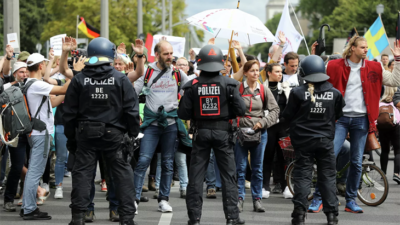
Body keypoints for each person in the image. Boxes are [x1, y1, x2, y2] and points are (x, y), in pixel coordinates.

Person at [310, 36, 400, 214]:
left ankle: (350, 200)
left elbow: (394, 81)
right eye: (362, 47)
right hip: (339, 120)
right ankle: (318, 198)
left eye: (367, 47)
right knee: (329, 158)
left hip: (362, 120)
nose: (366, 50)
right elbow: (316, 78)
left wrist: (397, 59)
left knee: (357, 162)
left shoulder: (374, 67)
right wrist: (313, 57)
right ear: (352, 48)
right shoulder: (335, 66)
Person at [63, 37, 141, 225]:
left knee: (82, 175)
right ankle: (127, 218)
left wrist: (71, 138)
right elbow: (131, 110)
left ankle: (79, 217)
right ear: (110, 55)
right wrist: (133, 133)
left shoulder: (79, 79)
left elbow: (69, 113)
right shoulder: (120, 79)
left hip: (85, 134)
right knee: (122, 176)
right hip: (114, 135)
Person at [178, 45, 246, 225]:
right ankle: (232, 217)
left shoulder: (192, 86)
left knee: (196, 177)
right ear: (221, 63)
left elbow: (183, 114)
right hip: (224, 133)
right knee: (228, 176)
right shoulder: (230, 84)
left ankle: (194, 218)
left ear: (199, 63)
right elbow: (242, 109)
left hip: (200, 133)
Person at [282, 55, 344, 225]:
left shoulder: (297, 93)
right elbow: (338, 115)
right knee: (328, 178)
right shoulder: (335, 93)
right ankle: (332, 216)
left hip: (303, 142)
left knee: (302, 177)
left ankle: (299, 216)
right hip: (325, 141)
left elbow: (287, 116)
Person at [133, 40, 189, 213]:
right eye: (166, 54)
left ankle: (163, 200)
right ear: (156, 55)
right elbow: (132, 93)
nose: (170, 57)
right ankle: (134, 200)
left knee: (167, 163)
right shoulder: (148, 72)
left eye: (171, 53)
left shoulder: (178, 73)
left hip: (171, 125)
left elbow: (190, 93)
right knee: (143, 161)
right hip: (151, 125)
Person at [21, 53, 70, 220]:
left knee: (33, 172)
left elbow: (54, 102)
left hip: (36, 132)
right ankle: (29, 209)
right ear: (41, 66)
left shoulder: (30, 84)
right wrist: (75, 74)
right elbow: (64, 88)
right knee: (35, 173)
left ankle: (28, 206)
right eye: (44, 63)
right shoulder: (37, 85)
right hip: (41, 134)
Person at [235, 60, 279, 213]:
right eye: (252, 70)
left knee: (257, 169)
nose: (255, 73)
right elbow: (229, 108)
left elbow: (275, 110)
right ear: (245, 72)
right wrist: (237, 123)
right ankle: (239, 199)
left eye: (257, 70)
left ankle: (257, 200)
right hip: (240, 134)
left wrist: (263, 122)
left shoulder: (263, 89)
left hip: (260, 133)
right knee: (240, 168)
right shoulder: (238, 88)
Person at [262, 63, 292, 199]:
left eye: (281, 72)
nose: (280, 74)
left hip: (283, 127)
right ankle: (264, 186)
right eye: (277, 71)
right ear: (269, 73)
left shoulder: (286, 87)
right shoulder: (262, 88)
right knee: (267, 156)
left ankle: (287, 186)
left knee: (284, 157)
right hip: (268, 126)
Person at [377, 86, 400, 183]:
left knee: (384, 150)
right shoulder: (396, 103)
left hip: (382, 127)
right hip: (396, 126)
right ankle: (396, 174)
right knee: (398, 151)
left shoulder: (380, 103)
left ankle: (383, 173)